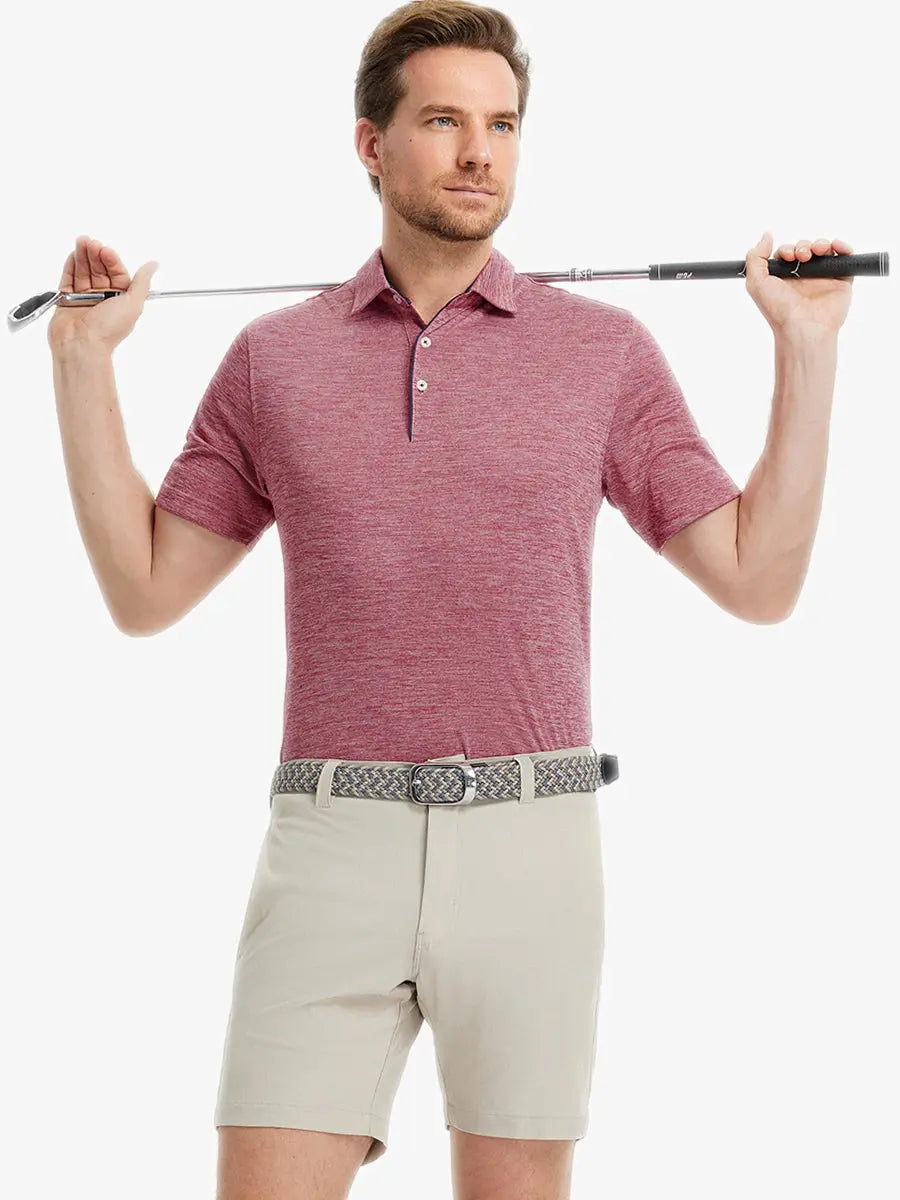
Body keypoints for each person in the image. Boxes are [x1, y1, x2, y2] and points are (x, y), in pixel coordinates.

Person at [46, 2, 852, 1196]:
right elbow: (144, 589)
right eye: (443, 122)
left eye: (503, 125)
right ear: (370, 145)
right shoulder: (273, 359)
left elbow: (759, 578)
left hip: (534, 842)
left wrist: (807, 347)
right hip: (332, 842)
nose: (480, 152)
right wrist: (82, 364)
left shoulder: (604, 352)